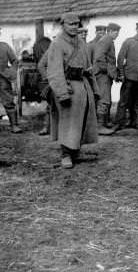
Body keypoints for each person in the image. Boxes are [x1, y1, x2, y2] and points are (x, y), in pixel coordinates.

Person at [46, 13, 100, 169]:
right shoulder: (57, 44)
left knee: (81, 120)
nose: (74, 27)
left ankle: (75, 150)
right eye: (70, 24)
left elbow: (89, 68)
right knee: (68, 121)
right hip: (68, 86)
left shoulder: (82, 43)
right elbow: (55, 71)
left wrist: (95, 89)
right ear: (63, 25)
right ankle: (65, 154)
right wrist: (62, 92)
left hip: (83, 85)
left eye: (77, 24)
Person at [112, 22, 138, 131]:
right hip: (129, 75)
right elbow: (121, 58)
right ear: (136, 29)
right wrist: (121, 73)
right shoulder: (128, 42)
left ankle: (137, 122)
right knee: (124, 100)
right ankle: (119, 122)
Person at [92, 22, 121, 135]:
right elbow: (99, 58)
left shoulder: (107, 40)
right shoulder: (106, 40)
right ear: (109, 31)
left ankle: (103, 123)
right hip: (102, 74)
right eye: (115, 32)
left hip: (105, 74)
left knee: (105, 98)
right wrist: (109, 71)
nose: (117, 34)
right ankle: (100, 126)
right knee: (104, 99)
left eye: (118, 32)